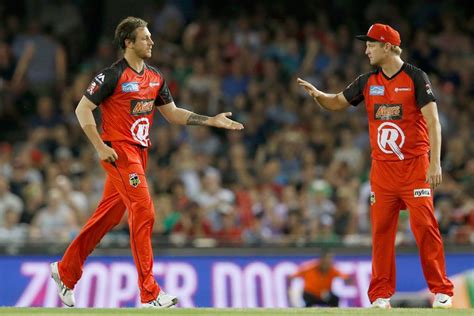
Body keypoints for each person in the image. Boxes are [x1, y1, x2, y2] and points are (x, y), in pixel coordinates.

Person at [50, 16, 243, 309]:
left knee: (109, 217)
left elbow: (174, 113)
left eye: (150, 37)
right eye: (145, 38)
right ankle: (150, 292)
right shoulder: (111, 76)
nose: (151, 42)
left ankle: (65, 271)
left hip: (139, 155)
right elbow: (82, 109)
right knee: (144, 210)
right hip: (118, 152)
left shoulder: (155, 77)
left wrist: (211, 120)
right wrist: (100, 146)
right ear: (128, 42)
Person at [297, 23, 454, 309]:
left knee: (424, 227)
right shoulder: (366, 82)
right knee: (381, 234)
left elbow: (433, 122)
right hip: (382, 171)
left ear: (387, 46)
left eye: (370, 44)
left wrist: (435, 163)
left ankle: (441, 290)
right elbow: (336, 103)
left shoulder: (416, 78)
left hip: (415, 167)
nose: (365, 49)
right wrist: (319, 95)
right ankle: (380, 295)